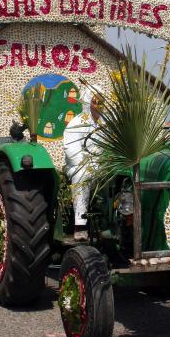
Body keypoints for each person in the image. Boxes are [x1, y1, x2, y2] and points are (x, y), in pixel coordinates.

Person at [63, 88, 103, 241]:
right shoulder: (76, 123)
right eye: (95, 101)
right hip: (80, 165)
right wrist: (88, 165)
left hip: (102, 165)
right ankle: (80, 225)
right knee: (82, 176)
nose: (98, 104)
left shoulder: (106, 123)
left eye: (101, 101)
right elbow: (71, 150)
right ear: (88, 102)